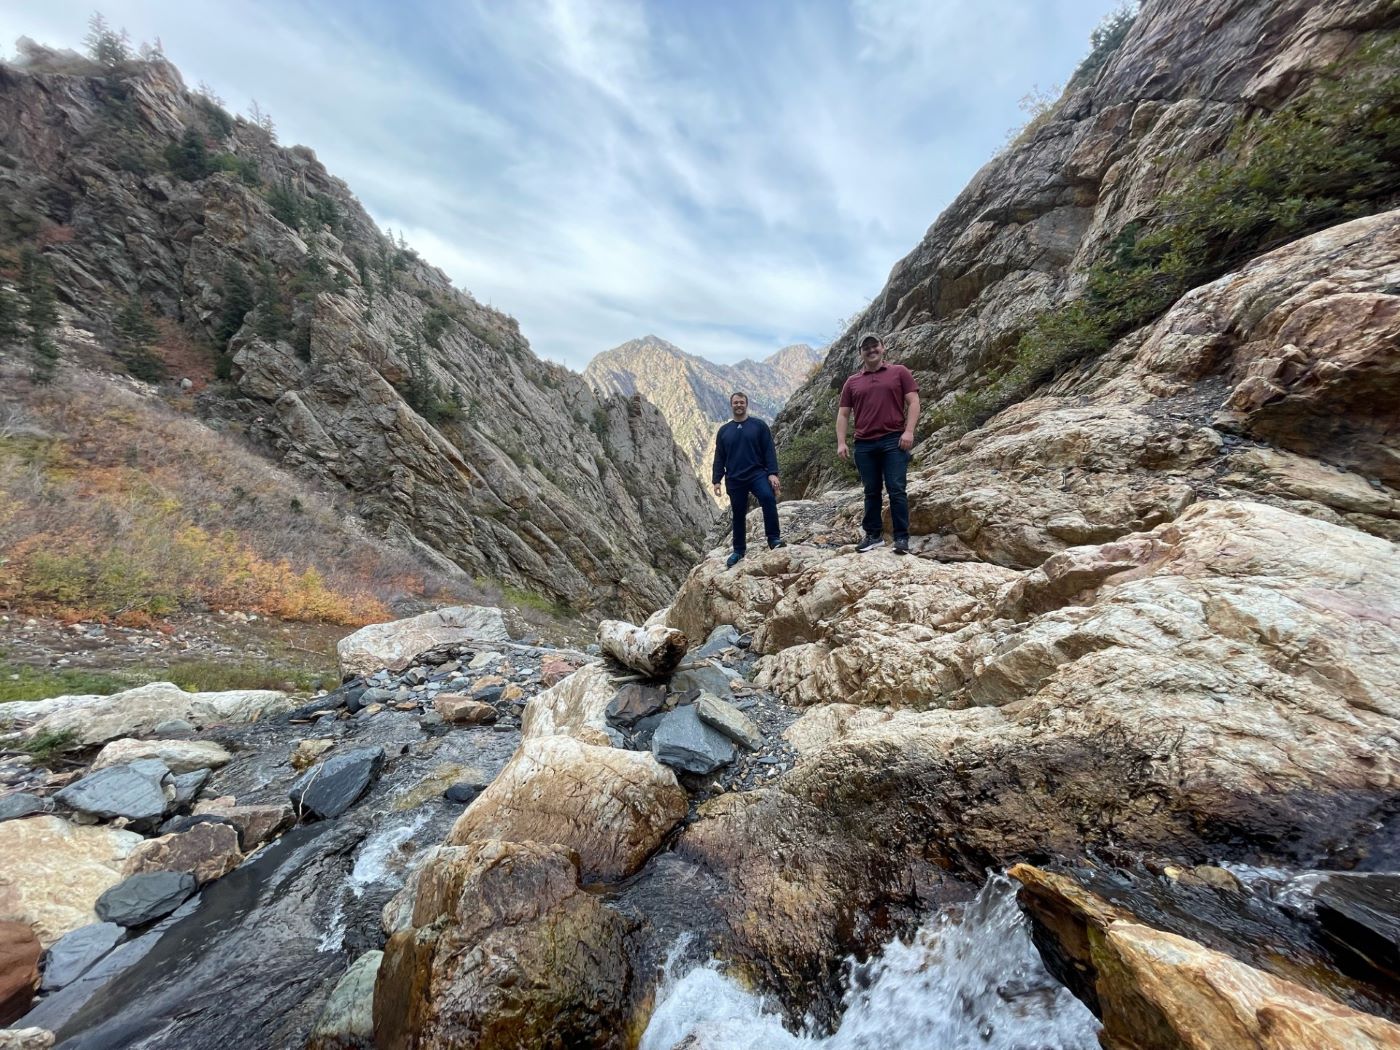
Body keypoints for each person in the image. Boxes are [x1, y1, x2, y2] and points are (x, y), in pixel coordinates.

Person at [836, 331, 920, 554]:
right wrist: (841, 442)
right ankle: (873, 536)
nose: (871, 350)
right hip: (864, 444)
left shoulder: (899, 372)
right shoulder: (852, 382)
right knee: (871, 491)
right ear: (860, 353)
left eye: (875, 346)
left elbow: (913, 402)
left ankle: (901, 538)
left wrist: (909, 431)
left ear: (883, 348)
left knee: (896, 489)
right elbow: (843, 414)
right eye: (866, 347)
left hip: (894, 440)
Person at [712, 391, 785, 568]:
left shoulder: (758, 426)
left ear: (747, 404)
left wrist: (772, 472)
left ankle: (773, 539)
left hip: (757, 473)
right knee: (738, 513)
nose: (739, 405)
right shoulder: (724, 431)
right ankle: (738, 550)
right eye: (736, 403)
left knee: (768, 499)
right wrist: (716, 480)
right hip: (734, 478)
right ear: (731, 405)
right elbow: (719, 457)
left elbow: (769, 450)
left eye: (742, 402)